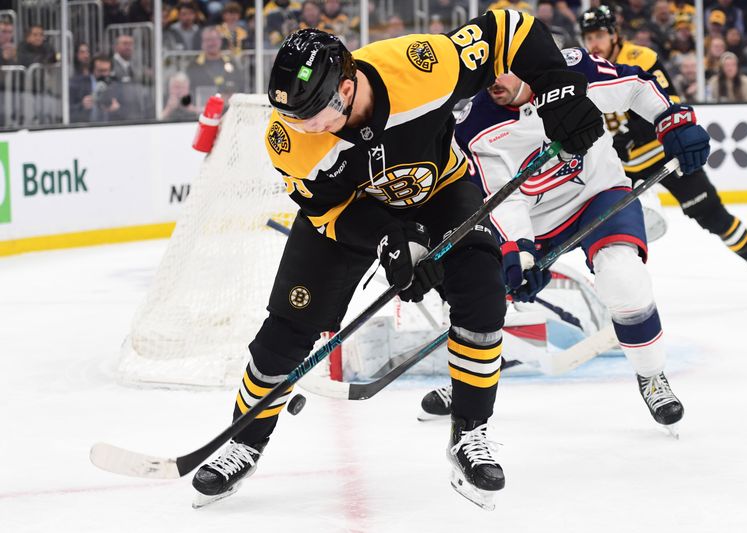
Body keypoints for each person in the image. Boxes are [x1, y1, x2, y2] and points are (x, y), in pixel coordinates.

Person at [190, 11, 605, 510]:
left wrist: (558, 86)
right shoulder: (289, 139)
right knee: (287, 332)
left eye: (311, 115)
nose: (300, 126)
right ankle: (245, 440)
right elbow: (326, 213)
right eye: (293, 116)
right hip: (350, 217)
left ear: (346, 88)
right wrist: (392, 239)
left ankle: (469, 434)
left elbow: (509, 28)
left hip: (441, 191)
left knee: (482, 295)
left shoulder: (420, 66)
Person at [418, 47, 711, 429]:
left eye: (502, 72)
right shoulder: (474, 124)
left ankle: (651, 374)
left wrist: (671, 120)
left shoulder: (572, 71)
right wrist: (519, 253)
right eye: (486, 74)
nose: (492, 83)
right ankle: (470, 383)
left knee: (623, 278)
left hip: (598, 195)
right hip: (535, 224)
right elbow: (502, 197)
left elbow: (636, 86)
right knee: (478, 293)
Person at [579, 5, 747, 297]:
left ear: (614, 34)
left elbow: (668, 101)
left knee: (713, 215)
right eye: (589, 37)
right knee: (611, 232)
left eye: (599, 35)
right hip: (622, 167)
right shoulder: (584, 68)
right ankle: (618, 295)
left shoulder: (641, 57)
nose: (594, 43)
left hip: (667, 155)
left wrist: (632, 132)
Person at [68, 54, 121, 123]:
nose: (104, 74)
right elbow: (67, 111)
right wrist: (82, 105)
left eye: (106, 71)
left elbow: (127, 111)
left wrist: (116, 109)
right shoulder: (79, 84)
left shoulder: (115, 85)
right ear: (92, 70)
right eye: (100, 71)